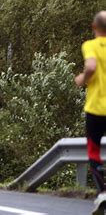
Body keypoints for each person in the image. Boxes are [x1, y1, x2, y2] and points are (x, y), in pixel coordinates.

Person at [75, 11, 106, 215]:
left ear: (93, 27)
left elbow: (92, 66)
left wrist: (82, 79)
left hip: (96, 109)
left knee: (94, 152)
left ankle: (103, 193)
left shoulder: (90, 45)